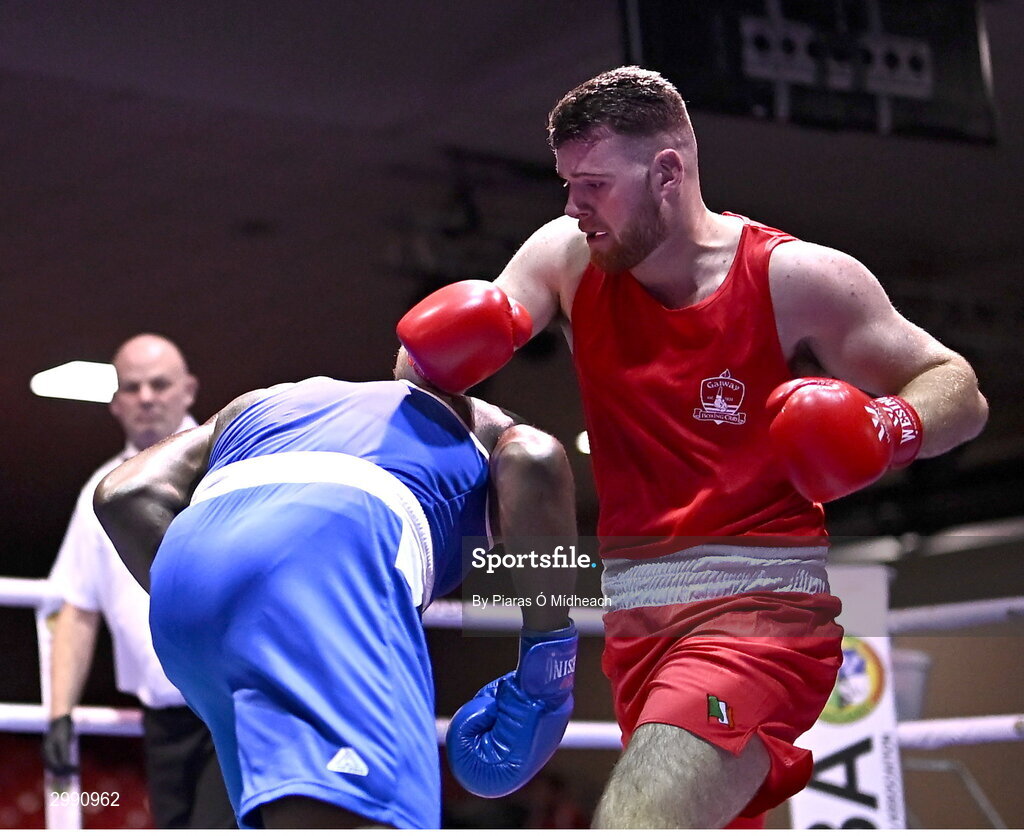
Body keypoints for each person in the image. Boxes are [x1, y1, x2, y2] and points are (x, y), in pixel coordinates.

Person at [395, 66, 989, 828]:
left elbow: (958, 391)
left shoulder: (792, 278)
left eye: (595, 184)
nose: (574, 205)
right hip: (636, 625)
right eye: (567, 183)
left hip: (759, 619)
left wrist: (885, 428)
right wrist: (437, 355)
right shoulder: (567, 258)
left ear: (668, 172)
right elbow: (419, 375)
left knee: (637, 823)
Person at [92, 368, 580, 828]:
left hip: (187, 595)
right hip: (318, 575)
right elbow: (534, 457)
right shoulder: (480, 423)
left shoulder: (271, 399)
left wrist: (241, 607)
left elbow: (123, 493)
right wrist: (548, 678)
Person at [43, 333, 235, 828]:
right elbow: (76, 608)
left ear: (188, 390)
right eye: (132, 387)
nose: (146, 397)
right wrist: (60, 713)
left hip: (231, 704)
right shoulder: (99, 490)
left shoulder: (230, 470)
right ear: (115, 401)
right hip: (163, 719)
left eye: (159, 384)